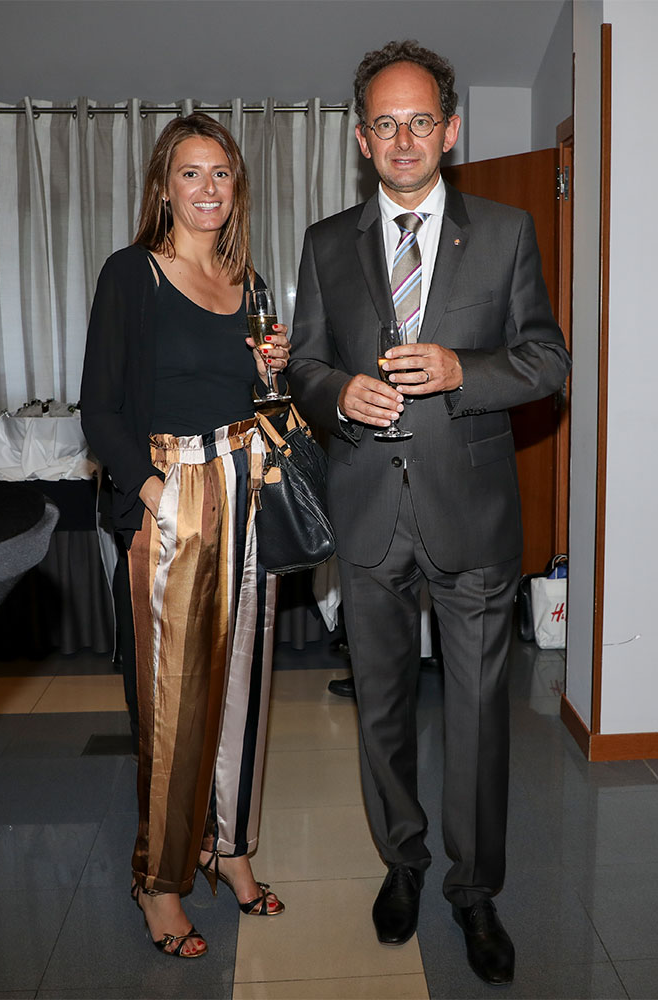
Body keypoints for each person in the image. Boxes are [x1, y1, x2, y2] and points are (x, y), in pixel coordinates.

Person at [287, 40, 571, 985]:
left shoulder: (506, 230)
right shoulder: (326, 242)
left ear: (450, 130)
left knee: (479, 716)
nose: (402, 140)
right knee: (381, 708)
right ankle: (402, 863)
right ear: (361, 138)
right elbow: (305, 364)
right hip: (367, 509)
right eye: (384, 124)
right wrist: (337, 396)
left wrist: (461, 372)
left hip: (472, 515)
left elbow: (546, 361)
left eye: (420, 122)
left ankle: (474, 889)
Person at [81, 112, 289, 959]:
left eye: (221, 173)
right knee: (172, 703)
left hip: (248, 490)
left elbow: (261, 403)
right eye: (191, 173)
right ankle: (159, 881)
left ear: (237, 187)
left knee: (246, 686)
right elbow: (99, 407)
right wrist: (156, 493)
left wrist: (272, 372)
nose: (208, 188)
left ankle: (228, 848)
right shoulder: (131, 273)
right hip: (171, 495)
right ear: (164, 187)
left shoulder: (249, 280)